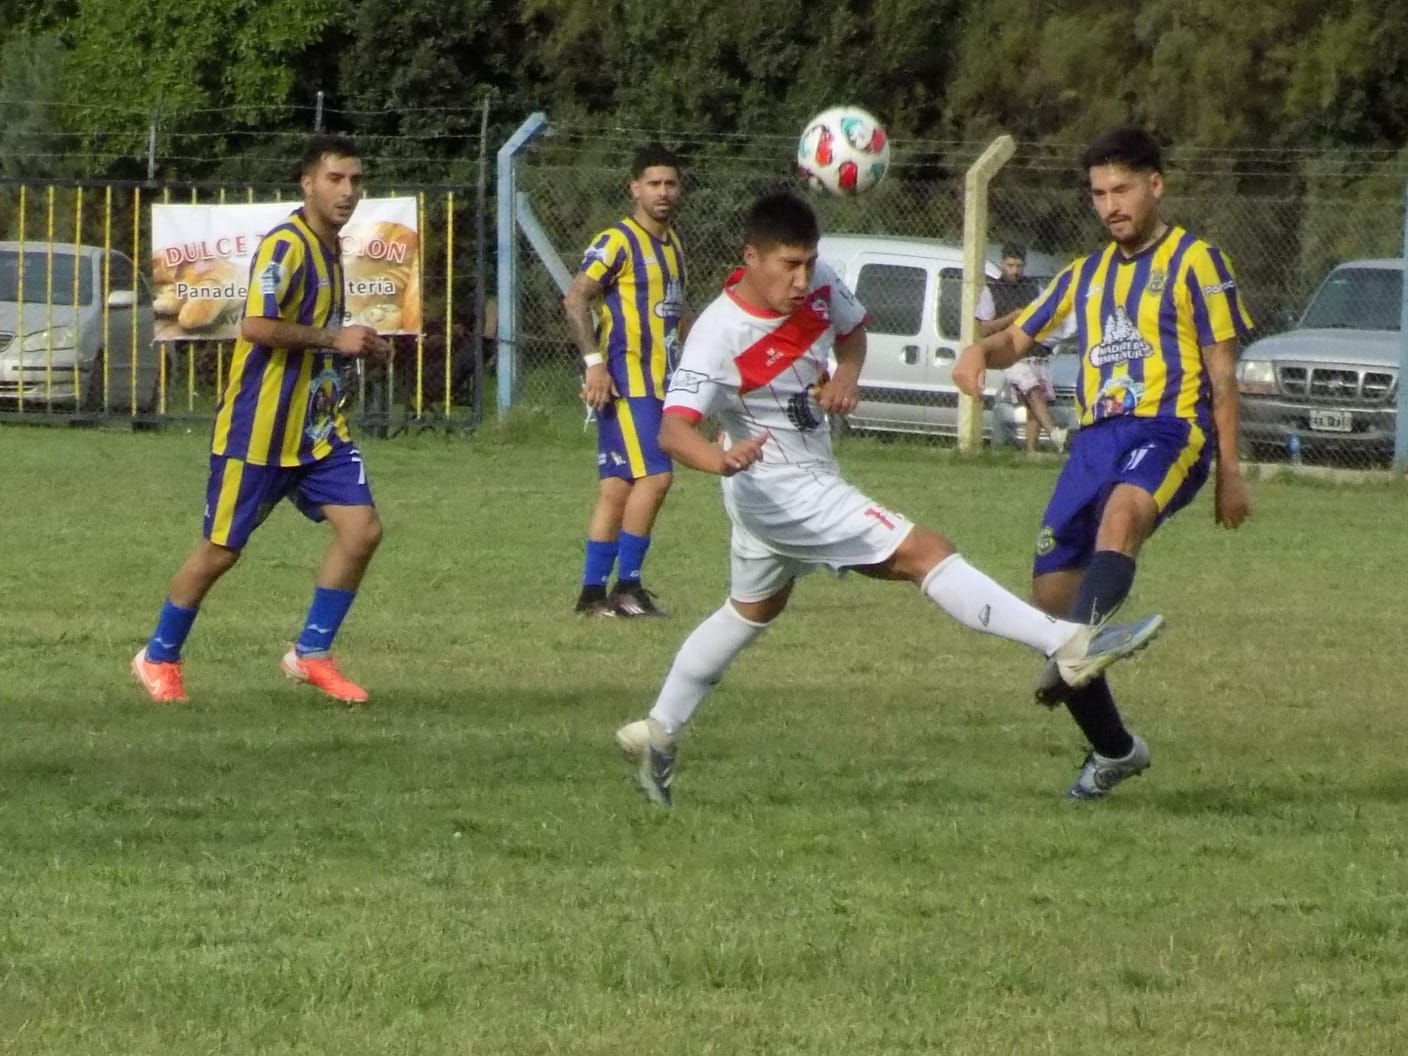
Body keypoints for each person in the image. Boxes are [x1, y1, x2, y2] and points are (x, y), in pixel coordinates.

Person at [613, 189, 1166, 808]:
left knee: (749, 611)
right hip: (781, 489)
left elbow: (853, 331)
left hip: (792, 480)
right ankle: (1065, 643)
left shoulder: (819, 282)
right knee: (926, 553)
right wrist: (720, 458)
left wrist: (846, 376)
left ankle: (657, 730)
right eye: (787, 266)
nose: (802, 279)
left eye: (808, 263)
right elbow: (672, 429)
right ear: (750, 258)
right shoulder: (719, 333)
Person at [955, 126, 1255, 800]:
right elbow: (1015, 339)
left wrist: (1232, 471)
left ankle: (1078, 653)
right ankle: (1115, 750)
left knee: (1123, 518)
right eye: (1098, 193)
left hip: (1170, 429)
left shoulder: (1197, 262)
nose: (1111, 204)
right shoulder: (1083, 274)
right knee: (1052, 604)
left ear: (1156, 184)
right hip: (1092, 443)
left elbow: (1223, 373)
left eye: (1122, 189)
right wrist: (978, 353)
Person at [131, 134, 392, 705]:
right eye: (335, 179)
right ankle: (158, 656)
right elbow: (256, 327)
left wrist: (363, 347)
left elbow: (325, 336)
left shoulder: (331, 249)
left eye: (355, 180)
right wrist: (332, 338)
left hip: (316, 429)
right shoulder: (286, 247)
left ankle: (311, 653)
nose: (348, 191)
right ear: (307, 184)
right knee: (221, 551)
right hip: (257, 430)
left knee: (363, 530)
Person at [564, 143, 690, 618]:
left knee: (618, 487)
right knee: (656, 477)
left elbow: (676, 315)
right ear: (634, 188)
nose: (663, 192)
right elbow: (576, 298)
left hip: (661, 382)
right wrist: (594, 363)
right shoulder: (618, 240)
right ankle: (628, 587)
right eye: (654, 183)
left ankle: (592, 595)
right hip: (627, 382)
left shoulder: (674, 243)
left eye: (671, 183)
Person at [976, 243, 1067, 452]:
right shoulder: (991, 291)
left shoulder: (1034, 288)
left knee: (1035, 402)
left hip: (1034, 352)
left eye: (1018, 266)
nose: (1014, 271)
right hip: (1009, 355)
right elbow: (984, 328)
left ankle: (1031, 451)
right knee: (1032, 389)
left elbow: (1049, 314)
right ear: (1002, 264)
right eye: (1010, 265)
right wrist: (1013, 317)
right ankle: (1054, 432)